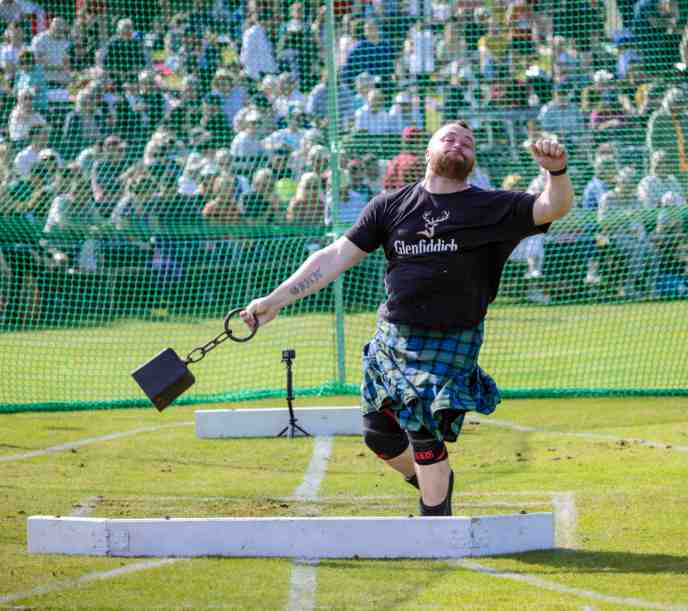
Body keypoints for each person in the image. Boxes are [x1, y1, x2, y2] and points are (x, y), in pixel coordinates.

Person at [240, 121, 572, 516]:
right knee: (379, 436)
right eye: (449, 138)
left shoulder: (493, 206)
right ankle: (435, 480)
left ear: (473, 160)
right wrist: (277, 299)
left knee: (421, 424)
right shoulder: (390, 205)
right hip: (393, 337)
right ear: (428, 153)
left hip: (451, 338)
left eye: (467, 143)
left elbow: (554, 206)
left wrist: (556, 171)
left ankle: (435, 523)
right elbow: (334, 257)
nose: (459, 145)